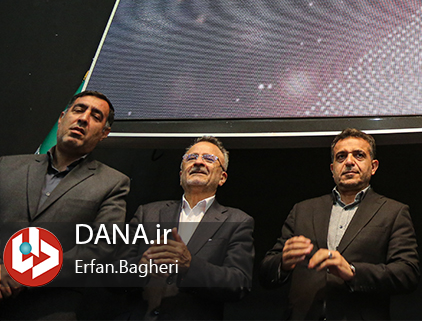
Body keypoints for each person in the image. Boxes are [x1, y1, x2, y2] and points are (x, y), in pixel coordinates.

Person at [260, 128, 419, 319]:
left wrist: (352, 271)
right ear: (332, 168)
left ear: (373, 166)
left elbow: (407, 273)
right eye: (341, 157)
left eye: (359, 155)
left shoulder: (393, 212)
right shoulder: (303, 210)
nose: (349, 162)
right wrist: (283, 263)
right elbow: (266, 272)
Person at [0, 90, 130, 318]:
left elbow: (100, 249)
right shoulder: (6, 167)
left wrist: (23, 273)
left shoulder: (113, 183)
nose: (83, 118)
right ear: (62, 118)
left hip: (48, 308)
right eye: (78, 110)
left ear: (104, 133)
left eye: (95, 116)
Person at [127, 136, 253, 320]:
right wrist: (139, 267)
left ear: (222, 178)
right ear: (181, 175)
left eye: (209, 159)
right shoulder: (147, 213)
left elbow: (239, 283)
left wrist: (190, 266)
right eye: (191, 157)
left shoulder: (238, 221)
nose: (198, 162)